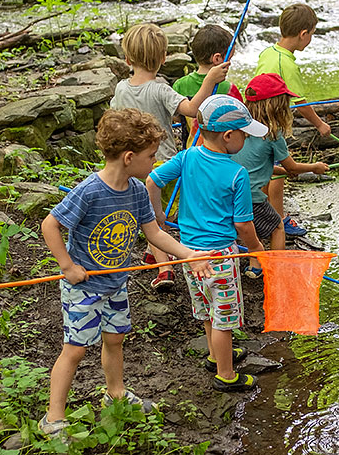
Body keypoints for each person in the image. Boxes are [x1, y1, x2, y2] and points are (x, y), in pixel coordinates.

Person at [38, 108, 213, 439]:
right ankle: (53, 417)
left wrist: (188, 255)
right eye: (151, 156)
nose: (155, 162)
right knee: (74, 349)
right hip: (84, 287)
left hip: (115, 284)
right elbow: (51, 224)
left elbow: (155, 233)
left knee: (115, 339)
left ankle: (115, 392)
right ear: (129, 157)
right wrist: (67, 266)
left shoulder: (136, 190)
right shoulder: (90, 190)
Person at [146, 95, 268, 392]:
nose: (246, 140)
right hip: (221, 255)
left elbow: (152, 180)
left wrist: (157, 213)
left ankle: (216, 356)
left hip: (189, 254)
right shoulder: (236, 174)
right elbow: (242, 224)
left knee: (207, 310)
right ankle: (226, 374)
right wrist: (256, 249)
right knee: (224, 319)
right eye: (244, 135)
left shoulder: (188, 157)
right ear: (228, 136)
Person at [110, 22, 229, 292]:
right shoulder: (161, 89)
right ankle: (177, 260)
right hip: (164, 164)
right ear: (163, 59)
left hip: (132, 166)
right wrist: (209, 81)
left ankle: (163, 264)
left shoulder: (120, 89)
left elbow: (114, 120)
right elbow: (189, 109)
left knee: (148, 218)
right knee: (162, 215)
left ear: (127, 59)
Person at [231, 73, 329, 278]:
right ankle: (276, 269)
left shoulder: (237, 131)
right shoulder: (272, 135)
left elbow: (256, 166)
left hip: (230, 193)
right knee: (276, 226)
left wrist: (281, 171)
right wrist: (314, 167)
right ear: (277, 107)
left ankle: (254, 265)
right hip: (251, 197)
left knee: (252, 227)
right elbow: (292, 167)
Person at [255, 3, 330, 237]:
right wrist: (320, 124)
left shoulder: (268, 52)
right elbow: (301, 102)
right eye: (312, 35)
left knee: (265, 167)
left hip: (256, 118)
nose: (310, 39)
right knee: (278, 172)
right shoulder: (287, 64)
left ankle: (263, 211)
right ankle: (278, 219)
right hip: (273, 121)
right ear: (303, 34)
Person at [173, 24, 244, 148]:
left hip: (190, 152)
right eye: (229, 59)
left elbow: (177, 118)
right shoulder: (229, 90)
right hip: (221, 156)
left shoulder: (179, 85)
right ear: (217, 59)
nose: (230, 63)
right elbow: (242, 123)